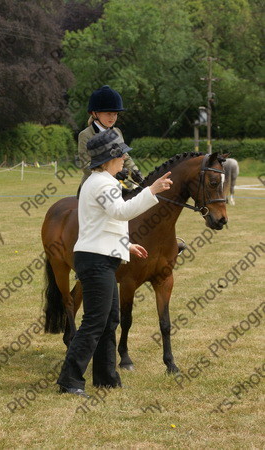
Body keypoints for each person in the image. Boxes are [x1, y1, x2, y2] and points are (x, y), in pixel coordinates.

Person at [57, 128, 173, 397]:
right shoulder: (103, 183)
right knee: (96, 322)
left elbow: (101, 223)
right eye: (121, 155)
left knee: (109, 320)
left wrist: (126, 245)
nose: (124, 159)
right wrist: (151, 191)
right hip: (96, 261)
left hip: (100, 256)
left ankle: (106, 377)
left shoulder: (100, 181)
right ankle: (69, 379)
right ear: (109, 157)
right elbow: (121, 212)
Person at [76, 85, 143, 191]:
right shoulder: (85, 135)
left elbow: (125, 157)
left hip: (120, 181)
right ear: (94, 113)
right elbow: (86, 166)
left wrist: (135, 172)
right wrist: (112, 175)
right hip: (95, 184)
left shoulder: (117, 132)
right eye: (108, 113)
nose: (112, 118)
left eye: (115, 114)